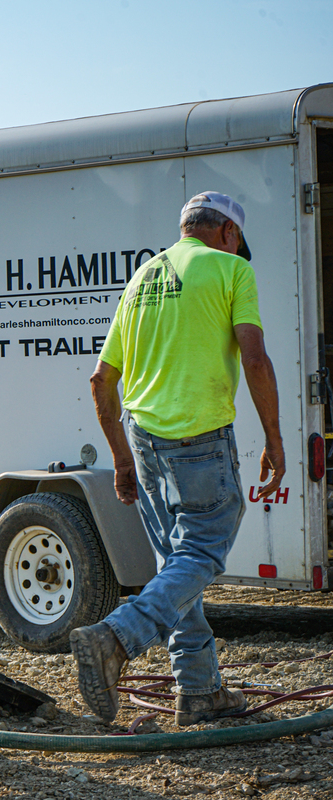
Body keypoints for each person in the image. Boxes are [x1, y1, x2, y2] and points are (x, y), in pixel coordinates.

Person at [75, 191, 284, 726]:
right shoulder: (232, 270)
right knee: (202, 553)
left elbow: (102, 379)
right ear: (228, 233)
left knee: (178, 566)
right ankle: (116, 637)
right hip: (200, 438)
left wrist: (121, 459)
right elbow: (255, 357)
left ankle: (198, 690)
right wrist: (275, 439)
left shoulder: (142, 277)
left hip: (145, 441)